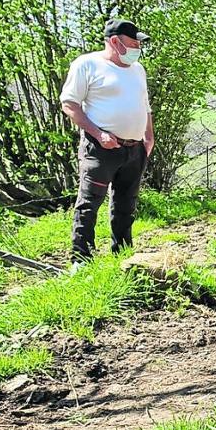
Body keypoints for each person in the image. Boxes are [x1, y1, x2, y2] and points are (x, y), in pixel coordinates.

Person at [60, 19, 154, 262]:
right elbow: (70, 104)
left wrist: (148, 137)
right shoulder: (87, 64)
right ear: (115, 41)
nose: (138, 47)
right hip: (101, 149)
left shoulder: (138, 70)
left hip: (134, 150)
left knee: (126, 205)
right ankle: (81, 259)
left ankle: (122, 256)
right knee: (90, 203)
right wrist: (98, 134)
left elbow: (145, 106)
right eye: (133, 42)